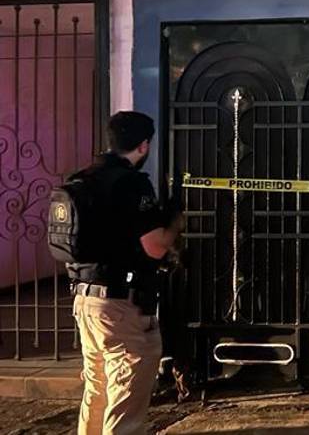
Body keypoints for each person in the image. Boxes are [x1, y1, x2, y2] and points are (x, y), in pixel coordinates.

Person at [69, 111, 182, 435]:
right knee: (125, 395)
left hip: (86, 300)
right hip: (121, 306)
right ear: (144, 145)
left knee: (98, 389)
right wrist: (175, 221)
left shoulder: (84, 178)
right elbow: (155, 247)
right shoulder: (131, 183)